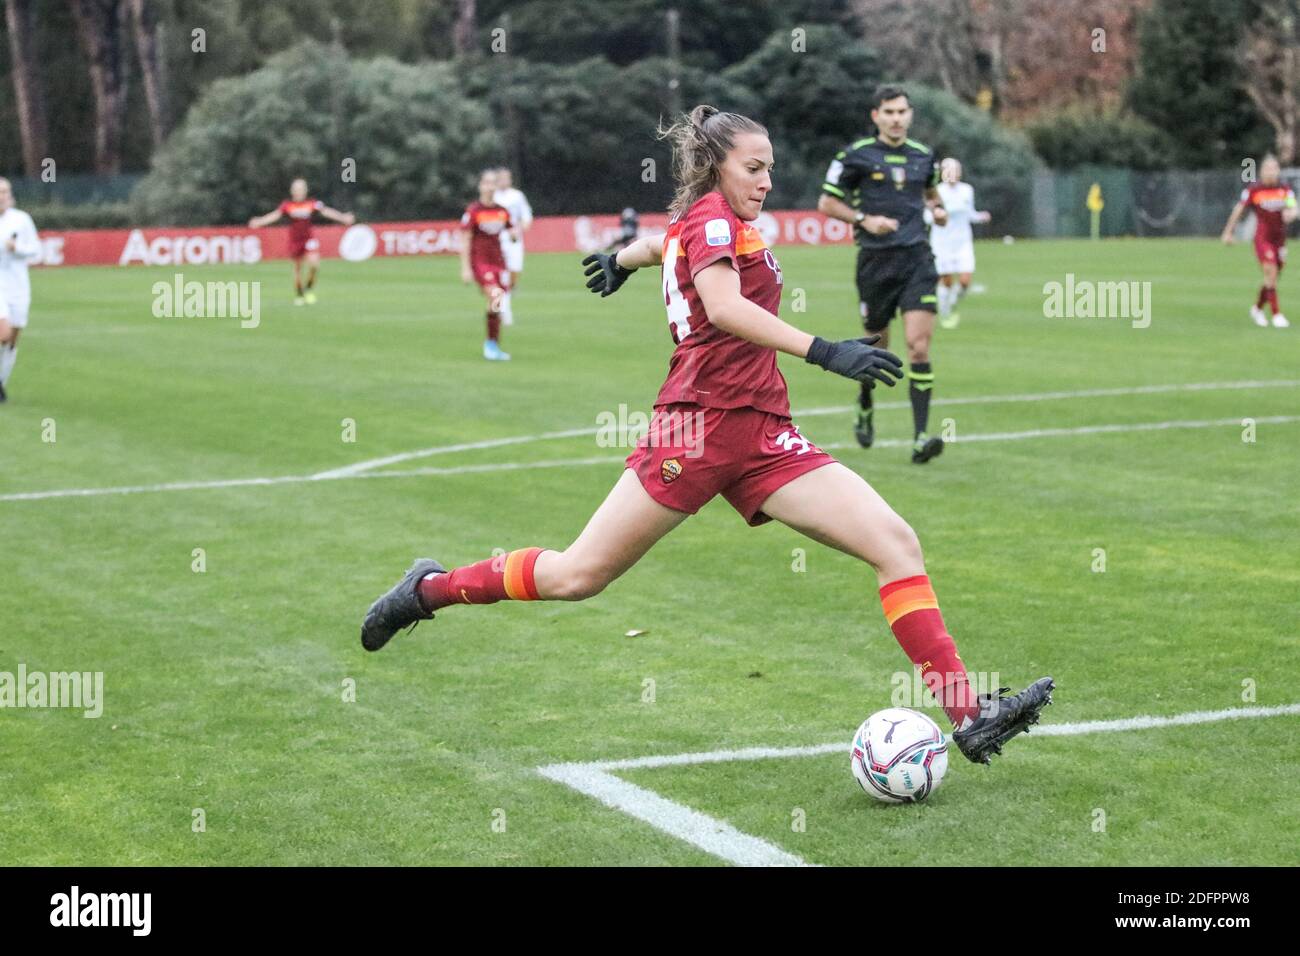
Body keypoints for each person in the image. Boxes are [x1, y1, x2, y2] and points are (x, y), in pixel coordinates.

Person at [360, 105, 1053, 765]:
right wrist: (824, 351)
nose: (768, 180)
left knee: (895, 543)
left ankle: (967, 715)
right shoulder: (714, 218)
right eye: (754, 167)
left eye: (770, 167)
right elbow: (722, 307)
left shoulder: (716, 222)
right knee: (577, 575)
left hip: (762, 436)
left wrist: (624, 258)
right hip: (693, 432)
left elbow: (671, 240)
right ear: (719, 165)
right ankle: (429, 590)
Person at [818, 86, 947, 462]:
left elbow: (933, 198)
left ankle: (921, 437)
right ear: (876, 116)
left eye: (902, 111)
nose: (896, 118)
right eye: (888, 112)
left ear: (910, 115)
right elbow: (826, 202)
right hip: (875, 263)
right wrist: (864, 220)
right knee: (878, 349)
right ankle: (865, 400)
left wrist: (938, 212)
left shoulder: (924, 157)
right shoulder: (855, 156)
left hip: (918, 259)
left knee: (919, 347)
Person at [248, 178, 354, 306]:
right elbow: (275, 215)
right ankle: (299, 294)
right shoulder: (287, 205)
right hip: (295, 240)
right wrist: (260, 221)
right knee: (298, 268)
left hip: (309, 239)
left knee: (314, 264)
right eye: (297, 189)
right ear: (292, 191)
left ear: (305, 191)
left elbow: (326, 211)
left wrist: (343, 218)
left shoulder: (312, 203)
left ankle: (308, 289)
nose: (299, 192)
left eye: (302, 189)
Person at [1220, 155, 1297, 328]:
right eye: (1267, 169)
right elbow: (1239, 210)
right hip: (1263, 238)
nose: (1271, 172)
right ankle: (1276, 315)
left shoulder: (1285, 189)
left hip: (1280, 240)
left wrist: (1292, 213)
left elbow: (1293, 207)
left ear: (1278, 171)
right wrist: (1228, 232)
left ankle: (1257, 308)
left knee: (1273, 276)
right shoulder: (1255, 191)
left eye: (1274, 168)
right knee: (1270, 271)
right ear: (1261, 171)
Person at [461, 169, 517, 361]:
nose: (490, 187)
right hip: (480, 262)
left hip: (498, 262)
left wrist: (515, 234)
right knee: (496, 297)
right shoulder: (473, 211)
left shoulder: (502, 211)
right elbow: (465, 240)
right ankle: (490, 345)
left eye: (493, 183)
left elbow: (512, 230)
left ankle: (493, 345)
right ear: (480, 186)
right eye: (487, 183)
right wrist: (465, 268)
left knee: (497, 303)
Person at [929, 158, 990, 330]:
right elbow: (928, 216)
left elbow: (969, 213)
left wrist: (980, 217)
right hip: (942, 242)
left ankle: (952, 302)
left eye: (956, 170)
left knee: (964, 281)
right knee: (946, 280)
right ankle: (944, 310)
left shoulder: (967, 190)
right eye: (949, 170)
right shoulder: (936, 191)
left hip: (963, 241)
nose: (953, 174)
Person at [0, 177, 41, 403]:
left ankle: (0, 383)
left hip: (18, 285)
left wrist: (17, 248)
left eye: (5, 191)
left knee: (11, 340)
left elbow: (35, 249)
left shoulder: (21, 219)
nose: (2, 196)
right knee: (3, 333)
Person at [493, 167, 533, 327]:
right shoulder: (492, 197)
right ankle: (502, 310)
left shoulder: (517, 196)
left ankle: (511, 288)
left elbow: (526, 216)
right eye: (500, 178)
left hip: (514, 239)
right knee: (499, 276)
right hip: (496, 240)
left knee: (514, 270)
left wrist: (519, 229)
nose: (504, 181)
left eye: (506, 178)